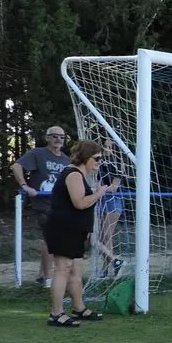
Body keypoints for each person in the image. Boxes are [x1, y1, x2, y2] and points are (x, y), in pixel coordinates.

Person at [44, 140, 116, 326]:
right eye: (97, 158)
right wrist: (99, 193)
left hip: (75, 230)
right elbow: (80, 203)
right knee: (63, 269)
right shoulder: (73, 174)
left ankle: (79, 308)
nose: (99, 162)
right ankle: (56, 314)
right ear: (85, 157)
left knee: (76, 269)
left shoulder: (79, 175)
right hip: (63, 229)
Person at [12, 126, 71, 286]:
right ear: (47, 137)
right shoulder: (38, 154)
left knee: (55, 239)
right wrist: (24, 185)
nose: (58, 139)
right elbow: (16, 166)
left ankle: (41, 274)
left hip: (61, 204)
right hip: (43, 203)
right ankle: (48, 278)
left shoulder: (66, 160)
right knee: (50, 238)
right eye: (54, 136)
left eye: (62, 137)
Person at [94, 139, 126, 276]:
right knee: (102, 236)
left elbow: (114, 187)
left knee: (107, 234)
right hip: (98, 199)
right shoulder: (97, 161)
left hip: (113, 200)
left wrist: (97, 189)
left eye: (110, 146)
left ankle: (111, 265)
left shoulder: (119, 163)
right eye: (105, 146)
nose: (107, 149)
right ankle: (108, 267)